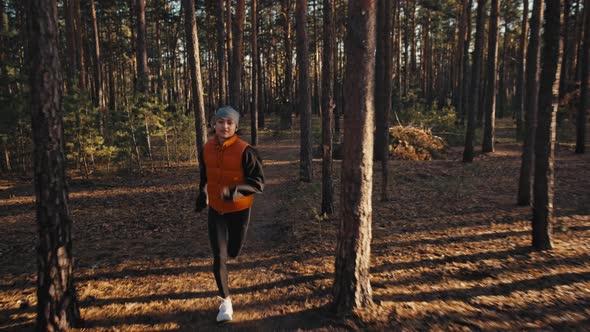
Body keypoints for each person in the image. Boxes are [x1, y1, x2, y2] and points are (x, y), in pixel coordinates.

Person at [195, 106, 265, 323]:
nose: (225, 126)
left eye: (229, 123)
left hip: (240, 210)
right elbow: (205, 175)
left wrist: (232, 193)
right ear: (214, 124)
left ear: (236, 127)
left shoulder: (246, 151)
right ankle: (225, 301)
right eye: (220, 122)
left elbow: (258, 183)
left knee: (233, 251)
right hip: (216, 210)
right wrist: (201, 194)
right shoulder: (206, 148)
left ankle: (232, 253)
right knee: (220, 256)